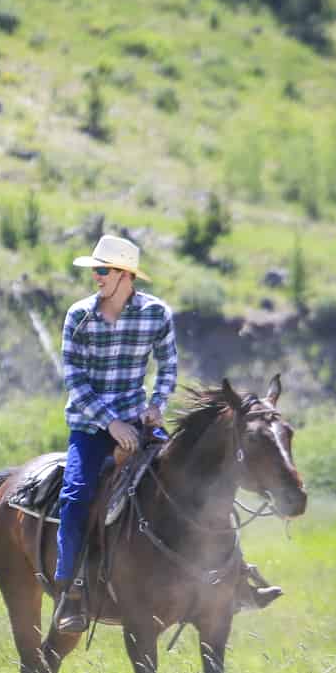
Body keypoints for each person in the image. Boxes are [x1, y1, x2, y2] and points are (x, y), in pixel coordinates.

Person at [53, 234, 280, 634]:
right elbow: (74, 380)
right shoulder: (79, 316)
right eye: (95, 270)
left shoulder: (157, 314)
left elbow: (168, 366)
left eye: (103, 270)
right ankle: (70, 592)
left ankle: (236, 579)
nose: (96, 277)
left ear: (125, 275)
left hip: (142, 425)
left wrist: (156, 404)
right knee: (75, 497)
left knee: (200, 487)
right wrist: (111, 422)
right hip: (91, 427)